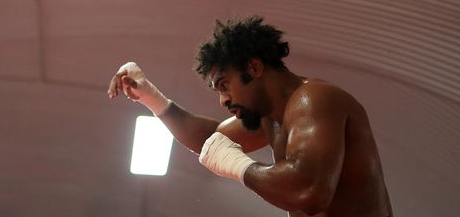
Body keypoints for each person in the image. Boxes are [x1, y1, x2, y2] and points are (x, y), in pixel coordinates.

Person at [107, 16, 393, 217]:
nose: (223, 100)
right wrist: (151, 98)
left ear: (254, 67)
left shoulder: (314, 100)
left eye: (224, 85)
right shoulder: (271, 116)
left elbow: (308, 192)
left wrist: (238, 166)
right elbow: (213, 143)